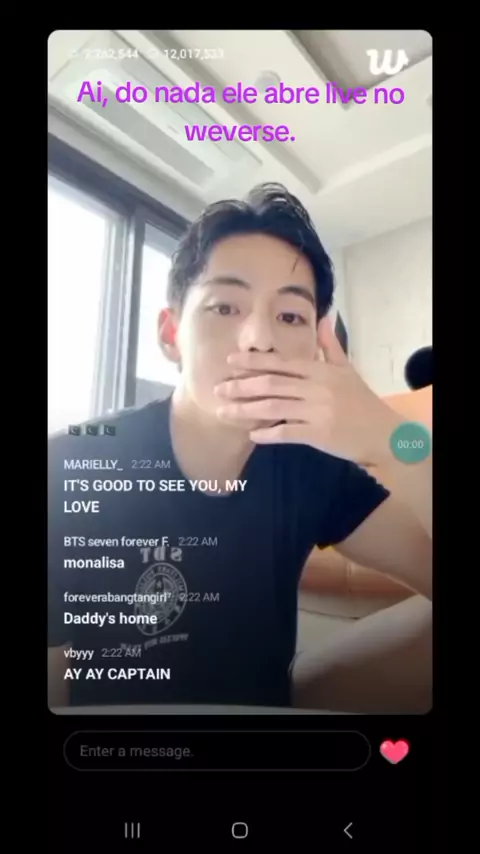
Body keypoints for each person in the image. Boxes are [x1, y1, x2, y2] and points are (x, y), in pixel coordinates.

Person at [48, 183, 432, 710]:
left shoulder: (308, 463)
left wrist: (389, 436)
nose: (259, 339)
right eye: (225, 307)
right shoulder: (70, 469)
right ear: (170, 334)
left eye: (290, 316)